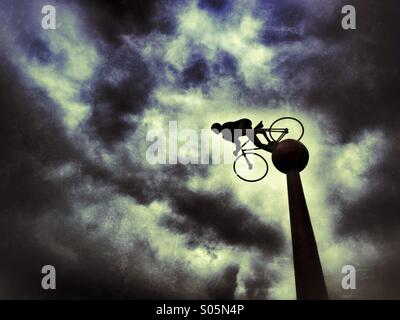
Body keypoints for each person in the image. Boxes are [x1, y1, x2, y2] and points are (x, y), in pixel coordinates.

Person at [211, 118, 276, 156]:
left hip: (244, 123)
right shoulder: (225, 136)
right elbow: (237, 142)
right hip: (246, 130)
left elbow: (237, 135)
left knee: (239, 132)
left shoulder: (225, 126)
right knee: (258, 144)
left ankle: (258, 130)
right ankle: (273, 151)